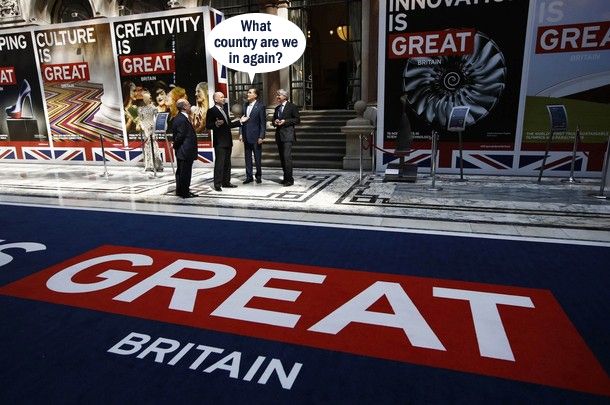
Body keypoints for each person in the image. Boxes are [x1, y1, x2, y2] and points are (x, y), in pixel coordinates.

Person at [205, 92, 243, 192]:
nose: (224, 99)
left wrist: (240, 122)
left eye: (223, 97)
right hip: (219, 142)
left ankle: (226, 182)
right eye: (221, 97)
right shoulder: (211, 111)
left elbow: (228, 124)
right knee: (219, 163)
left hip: (228, 141)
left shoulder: (224, 110)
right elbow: (208, 125)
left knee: (227, 163)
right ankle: (217, 184)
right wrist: (216, 124)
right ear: (216, 99)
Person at [272, 88, 300, 186]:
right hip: (279, 135)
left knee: (286, 157)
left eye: (279, 95)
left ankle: (289, 179)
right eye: (277, 95)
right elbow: (273, 120)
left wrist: (285, 121)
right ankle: (285, 178)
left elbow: (297, 120)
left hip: (288, 135)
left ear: (284, 96)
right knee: (282, 158)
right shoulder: (277, 108)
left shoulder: (292, 107)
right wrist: (275, 122)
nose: (277, 97)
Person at [172, 98, 198, 198]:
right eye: (188, 104)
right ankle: (184, 192)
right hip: (185, 151)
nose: (190, 105)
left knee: (181, 171)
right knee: (185, 172)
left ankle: (180, 190)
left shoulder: (180, 117)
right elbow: (180, 136)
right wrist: (175, 145)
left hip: (182, 150)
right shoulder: (182, 119)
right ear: (184, 107)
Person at [240, 88, 266, 184]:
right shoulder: (245, 105)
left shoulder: (261, 106)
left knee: (257, 157)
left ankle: (258, 175)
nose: (248, 94)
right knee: (247, 157)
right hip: (246, 135)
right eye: (248, 92)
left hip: (256, 137)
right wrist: (241, 134)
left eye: (250, 92)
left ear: (255, 95)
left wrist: (261, 136)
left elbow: (263, 123)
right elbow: (241, 120)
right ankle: (249, 176)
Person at [137, 90, 163, 172]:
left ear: (149, 98)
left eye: (146, 98)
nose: (145, 99)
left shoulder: (154, 108)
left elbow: (156, 119)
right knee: (147, 148)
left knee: (154, 147)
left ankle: (158, 165)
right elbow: (140, 119)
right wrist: (141, 125)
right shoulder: (140, 109)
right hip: (145, 129)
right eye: (144, 98)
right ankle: (149, 165)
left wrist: (153, 127)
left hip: (152, 128)